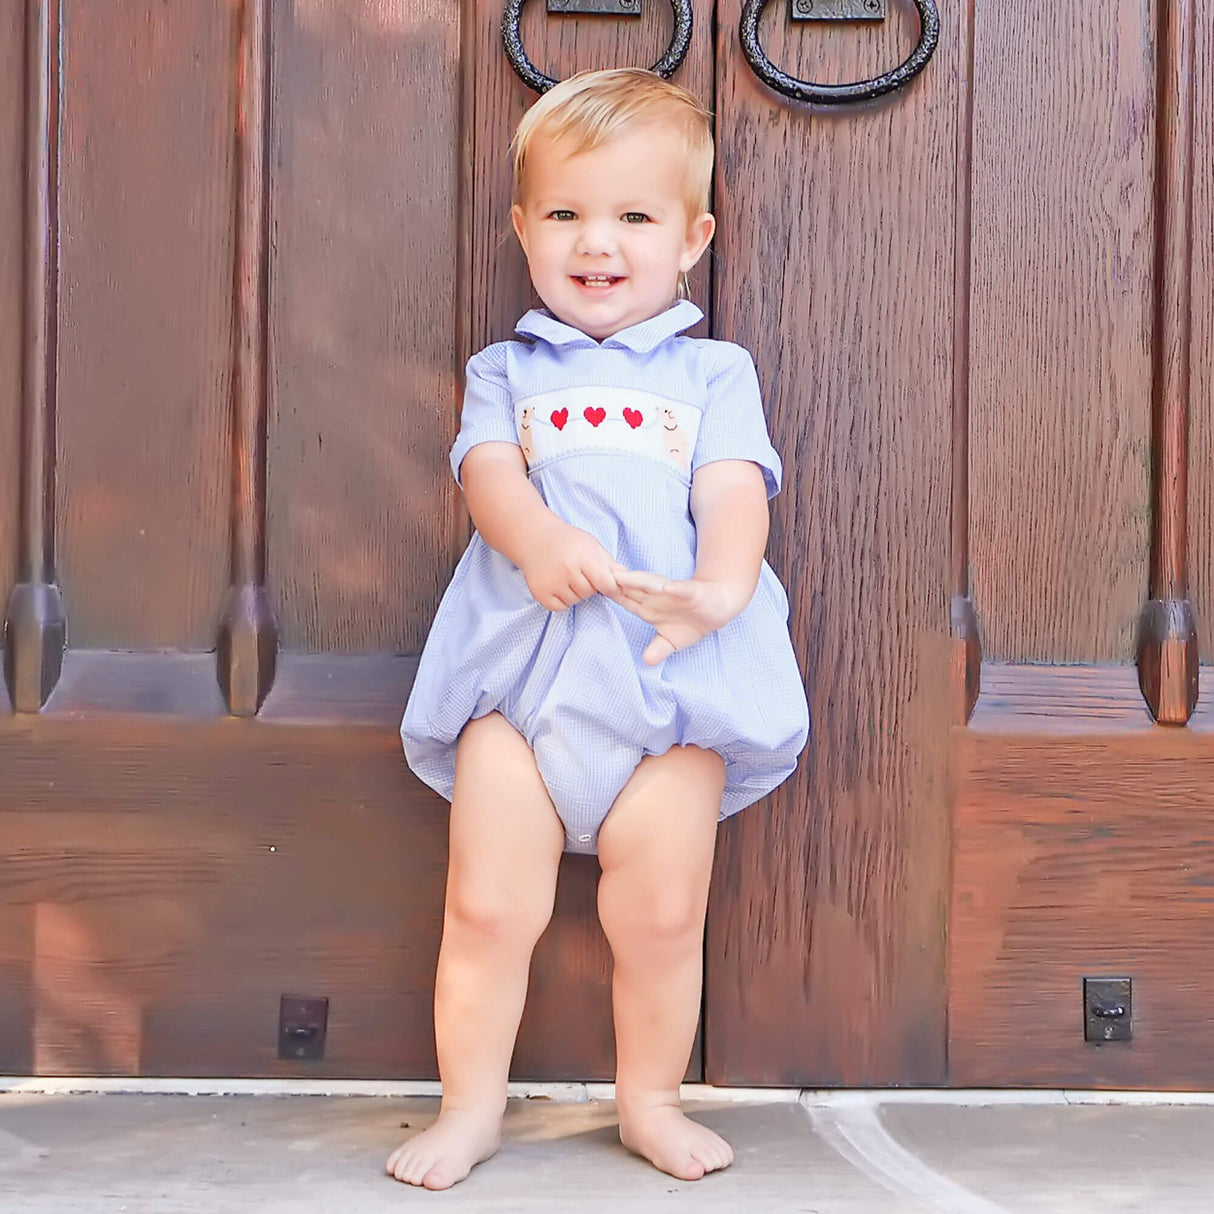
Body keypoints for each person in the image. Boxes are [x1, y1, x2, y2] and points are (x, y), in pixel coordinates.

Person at [389, 66, 809, 1191]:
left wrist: (722, 585)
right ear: (523, 228)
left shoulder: (712, 371)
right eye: (566, 213)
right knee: (485, 907)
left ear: (692, 239)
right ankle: (470, 1105)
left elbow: (734, 488)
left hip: (671, 690)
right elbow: (486, 474)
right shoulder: (507, 370)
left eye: (634, 216)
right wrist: (534, 538)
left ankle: (650, 1099)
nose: (597, 242)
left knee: (662, 916)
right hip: (520, 688)